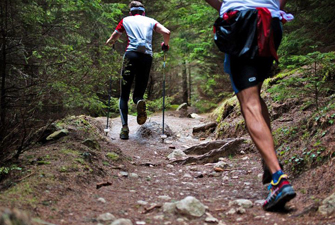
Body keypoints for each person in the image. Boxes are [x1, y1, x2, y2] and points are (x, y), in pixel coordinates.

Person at [204, 0, 296, 211]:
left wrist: (225, 6)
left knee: (249, 102)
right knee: (255, 95)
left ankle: (278, 179)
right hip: (271, 23)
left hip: (241, 22)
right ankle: (269, 160)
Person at [106, 1, 170, 140]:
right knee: (138, 93)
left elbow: (114, 37)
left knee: (124, 94)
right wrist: (165, 45)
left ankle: (124, 129)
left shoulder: (125, 20)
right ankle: (139, 101)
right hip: (146, 57)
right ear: (143, 12)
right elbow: (166, 32)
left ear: (131, 12)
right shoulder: (150, 21)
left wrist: (110, 43)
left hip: (131, 55)